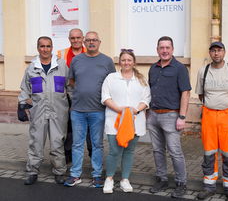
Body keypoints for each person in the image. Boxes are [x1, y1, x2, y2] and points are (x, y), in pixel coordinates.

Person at [195, 42, 228, 201]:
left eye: (219, 50)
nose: (216, 53)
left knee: (227, 152)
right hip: (208, 116)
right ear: (210, 53)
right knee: (209, 152)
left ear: (224, 52)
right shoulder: (203, 71)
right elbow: (201, 95)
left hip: (227, 116)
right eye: (213, 51)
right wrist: (212, 105)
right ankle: (209, 186)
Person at [64, 31, 116, 188]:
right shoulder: (76, 60)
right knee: (77, 144)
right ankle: (75, 175)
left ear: (100, 42)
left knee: (97, 144)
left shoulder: (107, 61)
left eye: (95, 40)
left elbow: (112, 83)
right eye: (88, 40)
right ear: (84, 43)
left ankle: (97, 175)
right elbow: (71, 80)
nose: (91, 42)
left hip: (98, 110)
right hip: (77, 110)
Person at [18, 36, 69, 185]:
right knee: (36, 143)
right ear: (38, 48)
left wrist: (73, 106)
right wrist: (22, 104)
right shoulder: (32, 67)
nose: (45, 49)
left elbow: (70, 87)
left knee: (57, 143)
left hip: (58, 112)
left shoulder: (61, 65)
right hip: (38, 111)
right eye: (42, 46)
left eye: (48, 46)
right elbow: (25, 89)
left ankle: (59, 172)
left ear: (52, 48)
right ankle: (33, 171)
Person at [101, 49, 151, 193]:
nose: (126, 62)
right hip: (114, 121)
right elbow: (105, 97)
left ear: (134, 62)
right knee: (115, 151)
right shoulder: (111, 78)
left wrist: (134, 110)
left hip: (135, 121)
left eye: (129, 60)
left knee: (129, 151)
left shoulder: (141, 80)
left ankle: (125, 179)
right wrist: (119, 109)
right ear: (119, 62)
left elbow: (146, 99)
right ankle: (109, 179)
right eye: (123, 60)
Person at [147, 36, 191, 198]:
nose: (164, 50)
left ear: (172, 49)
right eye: (161, 48)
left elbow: (185, 93)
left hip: (171, 116)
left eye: (167, 47)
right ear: (157, 49)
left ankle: (181, 182)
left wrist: (182, 116)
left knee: (175, 151)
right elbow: (149, 91)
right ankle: (162, 179)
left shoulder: (179, 68)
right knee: (157, 150)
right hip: (153, 115)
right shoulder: (153, 68)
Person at [57, 28, 92, 164]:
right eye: (73, 38)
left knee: (89, 129)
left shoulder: (90, 52)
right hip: (67, 96)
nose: (76, 40)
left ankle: (92, 154)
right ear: (69, 39)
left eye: (78, 38)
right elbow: (58, 76)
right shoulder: (61, 54)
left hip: (86, 97)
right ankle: (67, 155)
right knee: (68, 128)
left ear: (83, 38)